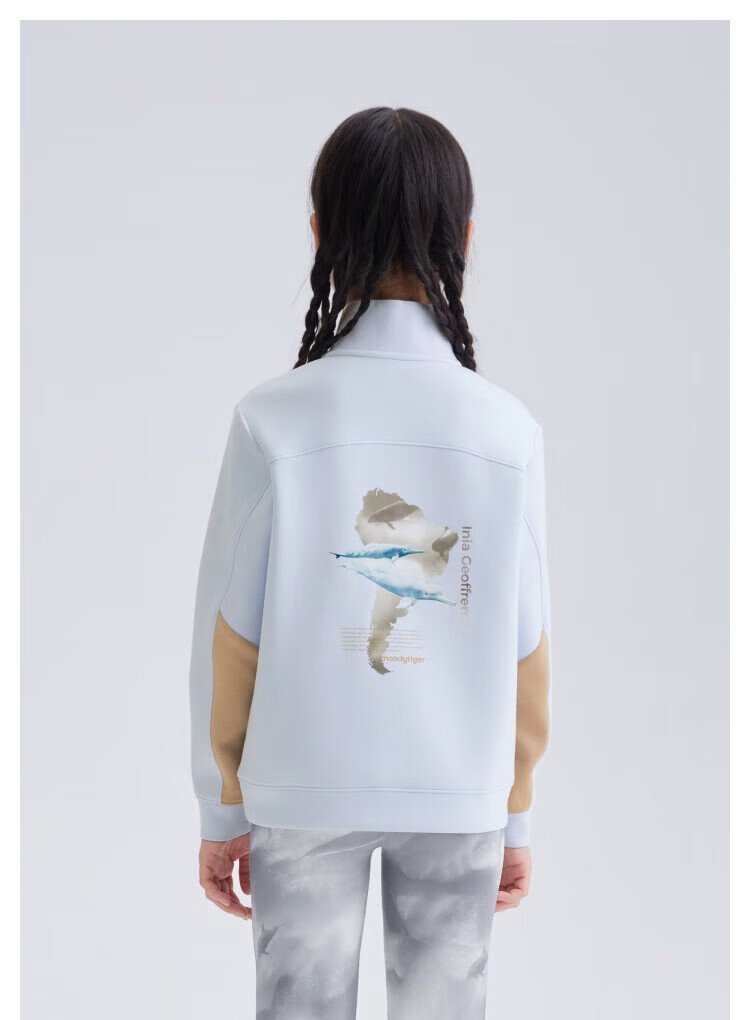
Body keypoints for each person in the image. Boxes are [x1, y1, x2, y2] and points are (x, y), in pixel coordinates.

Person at [189, 106, 551, 1020]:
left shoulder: (272, 420)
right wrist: (514, 810)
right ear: (465, 237)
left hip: (302, 783)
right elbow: (527, 646)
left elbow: (229, 637)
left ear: (319, 232)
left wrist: (223, 806)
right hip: (458, 786)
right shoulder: (507, 431)